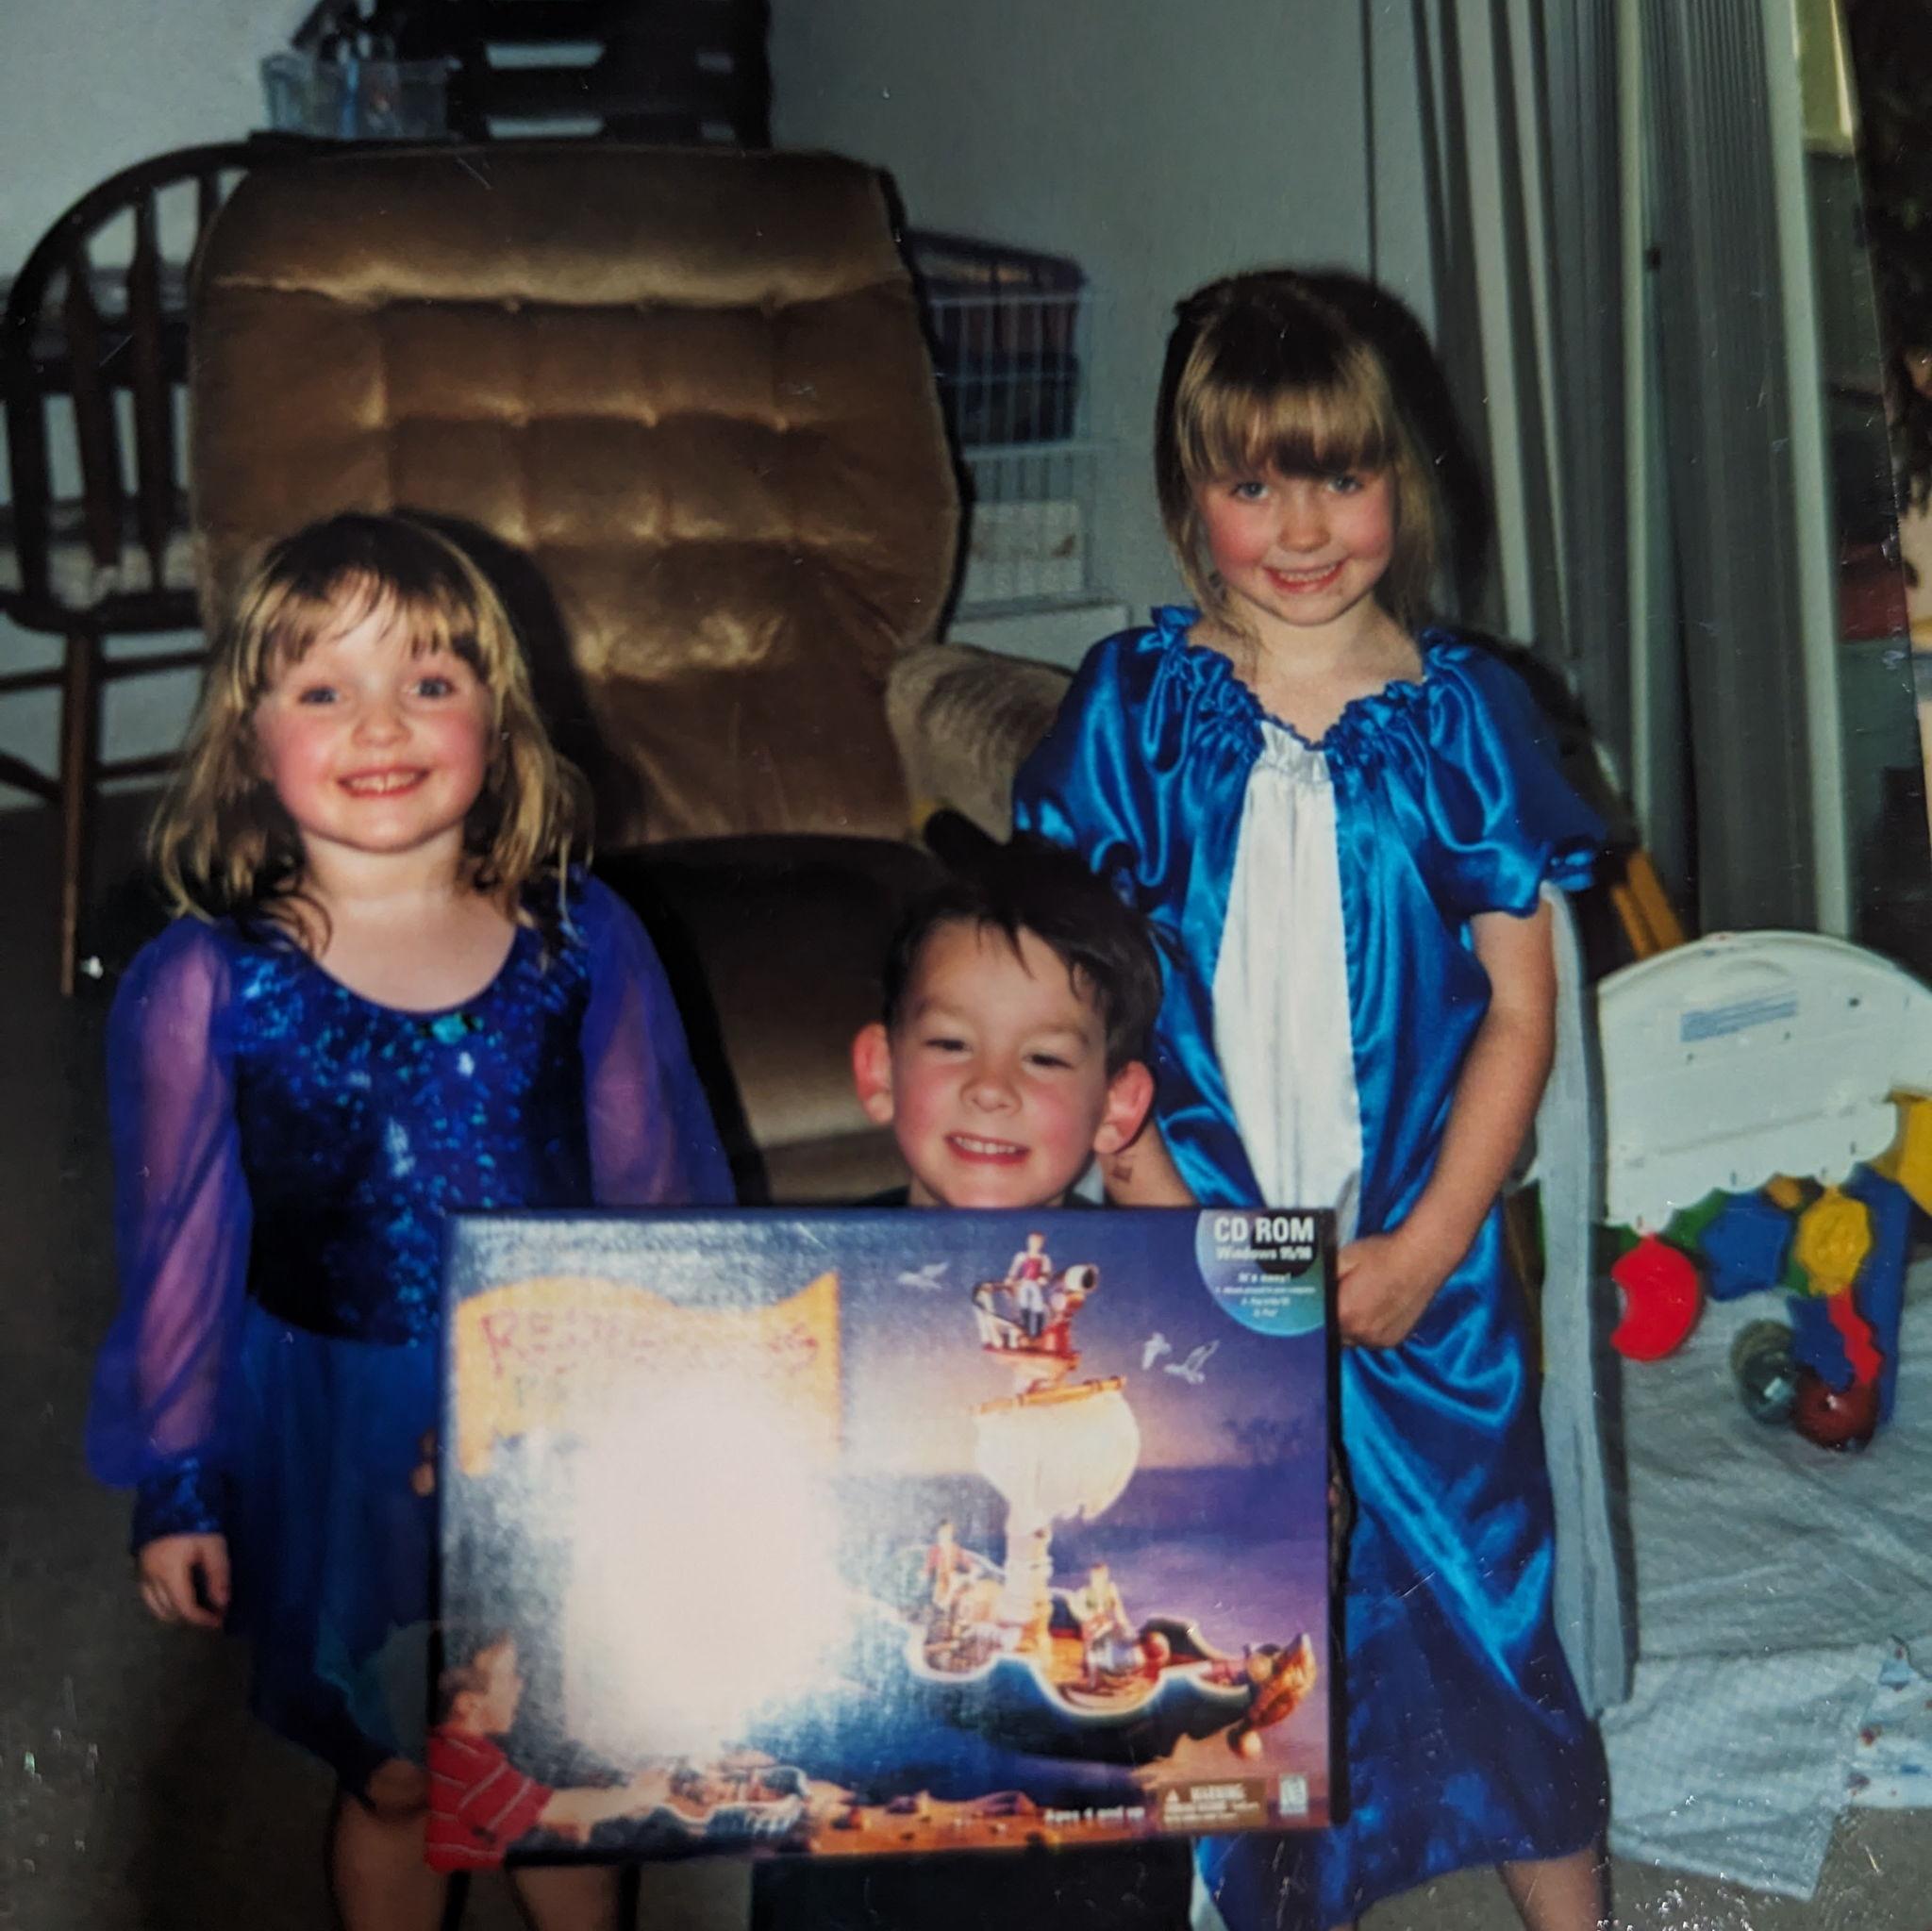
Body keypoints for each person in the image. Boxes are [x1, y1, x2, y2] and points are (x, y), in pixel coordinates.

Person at [1012, 270, 1611, 1931]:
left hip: (1417, 1265)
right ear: (1185, 497)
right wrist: (1140, 1196)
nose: (1298, 526)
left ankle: (1563, 1897)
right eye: (1251, 478)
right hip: (1195, 1243)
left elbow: (1516, 1004)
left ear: (1400, 483)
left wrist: (1426, 1244)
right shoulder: (1138, 713)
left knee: (1479, 1588)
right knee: (1232, 1606)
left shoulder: (1462, 724)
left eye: (1340, 476)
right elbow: (1072, 977)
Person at [87, 512, 731, 1931]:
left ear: (499, 719)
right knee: (391, 1768)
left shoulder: (582, 939)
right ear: (250, 738)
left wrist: (697, 1407)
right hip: (343, 1429)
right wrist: (181, 1482)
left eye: (429, 684)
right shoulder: (211, 985)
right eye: (324, 690)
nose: (382, 725)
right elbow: (180, 1256)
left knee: (563, 1764)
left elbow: (656, 1187)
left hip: (563, 1420)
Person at [755, 831, 1194, 1930]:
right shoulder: (787, 1294)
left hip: (1083, 1830)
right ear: (876, 1069)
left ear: (1116, 1106)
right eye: (950, 1042)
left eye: (1045, 1058)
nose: (991, 1088)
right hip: (850, 1788)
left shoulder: (1151, 1320)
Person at [428, 1633, 658, 1871]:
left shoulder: (448, 1750)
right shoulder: (475, 1768)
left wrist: (546, 1821)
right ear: (468, 1704)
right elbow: (568, 1808)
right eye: (508, 1677)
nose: (520, 1684)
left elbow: (499, 1811)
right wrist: (643, 1795)